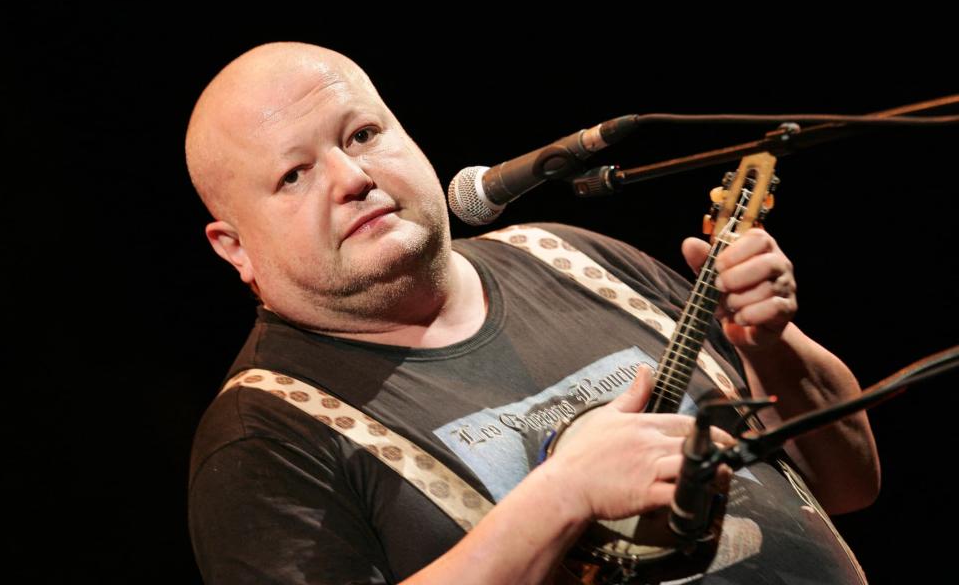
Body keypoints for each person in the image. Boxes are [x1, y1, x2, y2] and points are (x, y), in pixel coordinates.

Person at [185, 42, 880, 584]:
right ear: (234, 248)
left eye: (363, 134)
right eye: (293, 175)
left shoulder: (573, 256)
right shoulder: (262, 434)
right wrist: (562, 496)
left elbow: (849, 482)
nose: (352, 178)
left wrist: (770, 342)